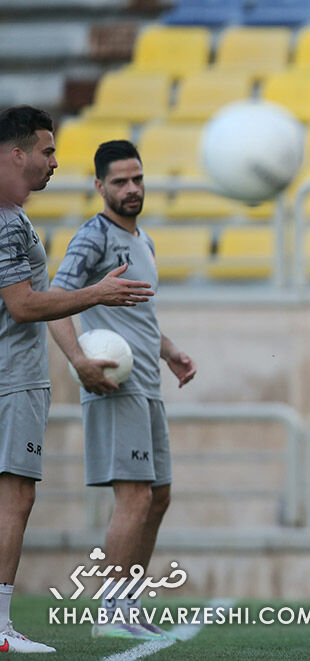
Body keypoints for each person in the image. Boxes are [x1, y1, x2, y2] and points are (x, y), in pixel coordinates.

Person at [0, 108, 153, 653]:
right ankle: (5, 628)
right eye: (46, 150)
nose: (52, 161)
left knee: (150, 496)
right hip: (14, 378)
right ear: (17, 154)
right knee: (15, 499)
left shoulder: (15, 216)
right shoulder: (13, 220)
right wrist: (95, 298)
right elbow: (24, 305)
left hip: (22, 376)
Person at [48, 140, 196, 641]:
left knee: (158, 497)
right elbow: (56, 300)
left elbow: (139, 315)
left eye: (137, 179)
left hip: (148, 385)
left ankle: (128, 604)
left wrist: (169, 350)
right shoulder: (93, 238)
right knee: (133, 497)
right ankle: (110, 612)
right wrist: (80, 363)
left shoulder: (145, 241)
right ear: (99, 187)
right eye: (119, 182)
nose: (131, 189)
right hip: (114, 385)